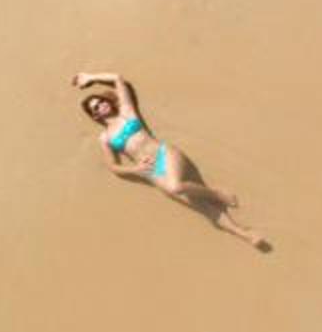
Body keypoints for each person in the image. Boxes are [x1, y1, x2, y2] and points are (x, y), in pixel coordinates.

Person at [72, 71, 267, 249]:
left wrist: (90, 78)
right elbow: (113, 166)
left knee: (175, 187)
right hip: (150, 171)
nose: (102, 105)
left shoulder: (126, 111)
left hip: (164, 153)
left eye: (101, 101)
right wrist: (135, 169)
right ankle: (245, 235)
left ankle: (216, 194)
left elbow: (117, 79)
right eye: (96, 107)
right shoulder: (105, 137)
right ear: (95, 115)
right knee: (202, 208)